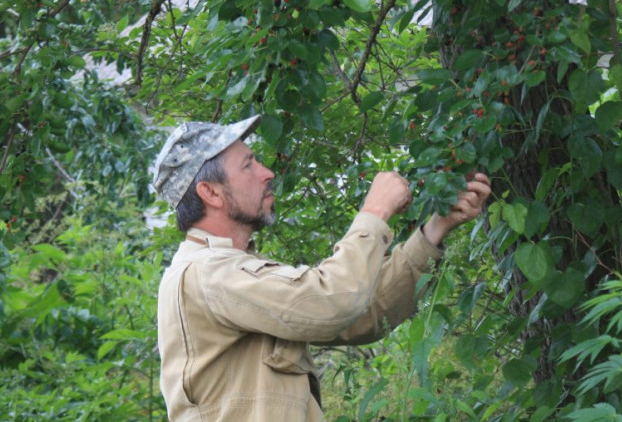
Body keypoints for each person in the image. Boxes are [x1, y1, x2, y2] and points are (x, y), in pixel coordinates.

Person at [152, 114, 492, 422]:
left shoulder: (230, 270)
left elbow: (362, 312)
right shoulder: (206, 273)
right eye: (248, 166)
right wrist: (374, 212)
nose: (267, 172)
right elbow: (332, 301)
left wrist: (435, 230)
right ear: (210, 192)